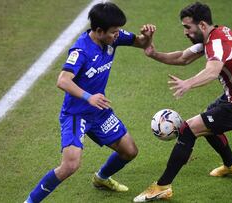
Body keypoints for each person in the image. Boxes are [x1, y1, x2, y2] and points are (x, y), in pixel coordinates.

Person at [133, 1, 232, 202]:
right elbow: (182, 58)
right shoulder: (215, 35)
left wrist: (188, 83)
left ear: (202, 25)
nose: (185, 32)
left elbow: (212, 72)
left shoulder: (217, 44)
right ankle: (231, 165)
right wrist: (153, 54)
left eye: (188, 27)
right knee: (210, 114)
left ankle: (162, 186)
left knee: (190, 128)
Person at [24, 2, 156, 203]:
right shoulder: (81, 51)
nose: (117, 35)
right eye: (113, 32)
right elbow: (62, 80)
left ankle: (101, 178)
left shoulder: (113, 37)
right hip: (76, 114)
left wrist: (147, 37)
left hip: (98, 111)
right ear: (99, 31)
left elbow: (142, 44)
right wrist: (89, 97)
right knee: (70, 165)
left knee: (130, 151)